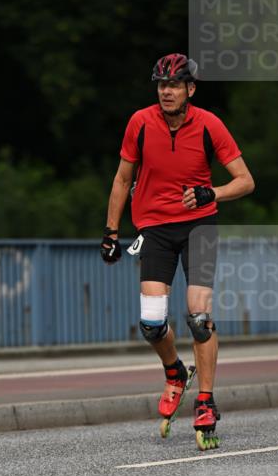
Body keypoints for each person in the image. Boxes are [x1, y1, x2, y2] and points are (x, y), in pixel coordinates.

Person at [100, 53, 255, 450]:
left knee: (198, 317)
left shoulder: (209, 125)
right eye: (161, 85)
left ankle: (206, 400)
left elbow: (245, 181)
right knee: (151, 324)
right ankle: (174, 372)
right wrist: (111, 231)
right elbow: (122, 179)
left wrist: (211, 192)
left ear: (190, 89)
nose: (166, 91)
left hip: (199, 224)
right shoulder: (140, 123)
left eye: (174, 85)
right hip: (154, 228)